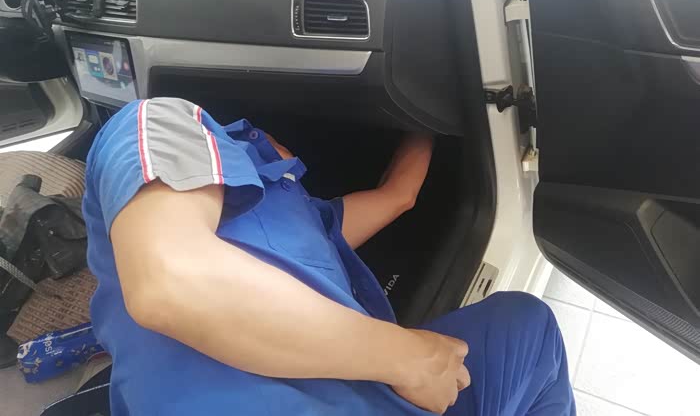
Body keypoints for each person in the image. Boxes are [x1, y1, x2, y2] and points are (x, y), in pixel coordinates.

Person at [83, 97, 575, 416]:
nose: (299, 165)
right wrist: (410, 357)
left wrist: (428, 115)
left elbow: (398, 195)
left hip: (374, 396)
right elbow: (173, 282)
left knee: (529, 325)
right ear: (249, 135)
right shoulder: (165, 122)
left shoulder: (306, 213)